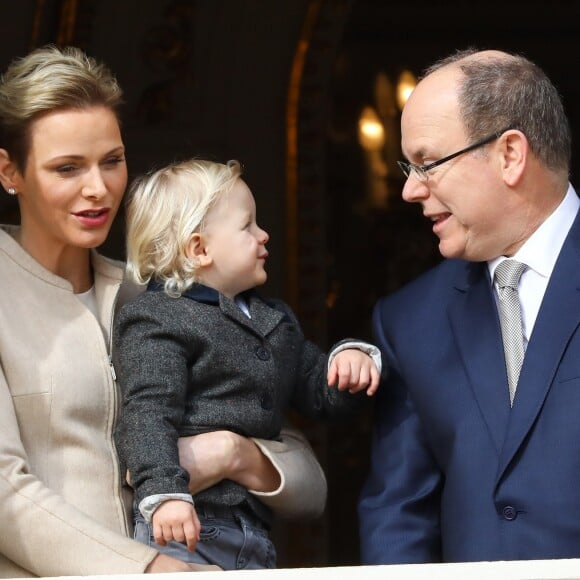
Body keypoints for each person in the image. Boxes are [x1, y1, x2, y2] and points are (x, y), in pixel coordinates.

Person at [0, 44, 328, 578]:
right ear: (9, 171)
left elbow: (307, 484)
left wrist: (232, 453)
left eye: (112, 161)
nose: (98, 188)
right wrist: (148, 567)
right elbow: (4, 492)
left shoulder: (160, 298)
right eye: (67, 168)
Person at [358, 47, 580, 564]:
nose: (410, 190)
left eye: (428, 163)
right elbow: (398, 515)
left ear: (509, 155)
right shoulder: (409, 320)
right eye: (406, 167)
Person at [113, 158, 382, 570]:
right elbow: (148, 411)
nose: (263, 234)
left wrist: (350, 360)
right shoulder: (158, 318)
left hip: (252, 532)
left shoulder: (275, 321)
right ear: (199, 248)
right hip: (184, 527)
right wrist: (164, 493)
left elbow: (317, 389)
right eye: (248, 226)